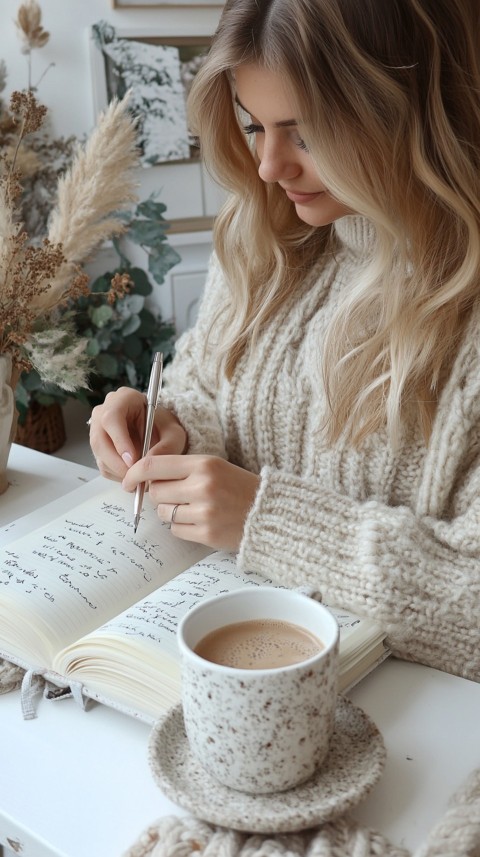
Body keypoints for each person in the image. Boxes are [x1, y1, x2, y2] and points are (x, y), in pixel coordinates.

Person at [89, 0, 480, 682]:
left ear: (407, 112)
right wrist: (171, 429)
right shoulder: (265, 244)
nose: (268, 166)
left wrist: (261, 520)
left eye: (305, 134)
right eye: (253, 125)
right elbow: (209, 394)